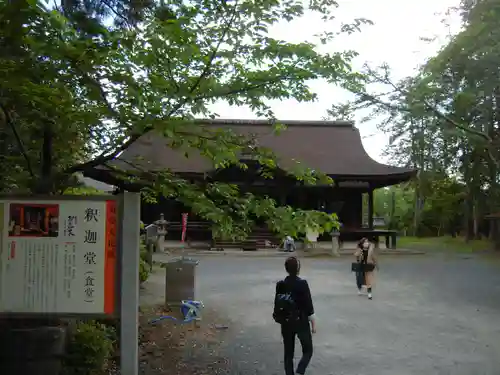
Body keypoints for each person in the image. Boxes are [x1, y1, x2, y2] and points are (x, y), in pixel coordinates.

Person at [273, 256, 316, 375]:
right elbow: (308, 306)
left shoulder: (280, 284)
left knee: (288, 352)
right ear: (298, 268)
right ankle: (300, 370)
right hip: (300, 320)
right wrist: (313, 323)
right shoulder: (302, 284)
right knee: (308, 350)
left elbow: (277, 303)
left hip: (286, 320)